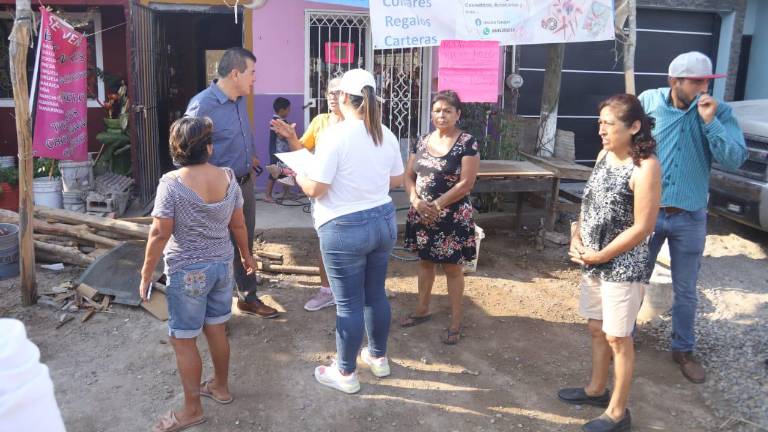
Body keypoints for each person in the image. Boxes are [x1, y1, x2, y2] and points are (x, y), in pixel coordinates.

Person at [140, 117, 258, 432]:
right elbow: (238, 225)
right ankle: (220, 386)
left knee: (183, 339)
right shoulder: (229, 178)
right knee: (216, 328)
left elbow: (159, 234)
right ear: (208, 147)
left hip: (187, 272)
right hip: (222, 266)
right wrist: (247, 257)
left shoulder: (171, 184)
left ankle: (192, 410)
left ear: (176, 149)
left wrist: (146, 274)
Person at [638, 51, 747, 384]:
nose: (704, 88)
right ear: (675, 82)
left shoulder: (719, 112)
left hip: (690, 216)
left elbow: (735, 159)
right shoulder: (649, 101)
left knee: (686, 289)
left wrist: (710, 123)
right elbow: (625, 140)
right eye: (697, 81)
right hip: (648, 212)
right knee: (634, 278)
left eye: (708, 81)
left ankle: (683, 350)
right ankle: (622, 336)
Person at [294, 69, 404, 393]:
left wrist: (299, 171)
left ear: (343, 98)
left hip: (344, 227)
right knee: (375, 295)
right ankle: (379, 358)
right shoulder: (385, 133)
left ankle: (345, 373)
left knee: (349, 305)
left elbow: (315, 188)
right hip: (383, 220)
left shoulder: (335, 135)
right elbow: (396, 181)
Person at [558, 94, 661, 432]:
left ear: (633, 127)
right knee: (595, 328)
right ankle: (596, 390)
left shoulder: (645, 167)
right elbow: (589, 202)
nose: (601, 130)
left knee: (619, 337)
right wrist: (576, 234)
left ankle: (618, 413)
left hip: (622, 266)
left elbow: (643, 226)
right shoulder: (604, 156)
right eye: (599, 123)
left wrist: (601, 255)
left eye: (608, 124)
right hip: (593, 259)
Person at [185, 47, 278, 318]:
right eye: (252, 73)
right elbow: (187, 154)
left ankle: (247, 297)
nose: (254, 79)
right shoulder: (203, 105)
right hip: (215, 191)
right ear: (236, 73)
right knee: (213, 248)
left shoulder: (238, 100)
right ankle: (213, 312)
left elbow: (238, 134)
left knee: (243, 242)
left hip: (244, 183)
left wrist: (251, 155)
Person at [400, 90, 480, 345]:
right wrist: (414, 200)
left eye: (447, 110)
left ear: (458, 114)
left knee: (453, 268)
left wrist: (437, 204)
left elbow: (466, 183)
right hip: (422, 215)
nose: (441, 115)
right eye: (437, 110)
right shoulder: (422, 141)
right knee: (425, 263)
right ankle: (422, 309)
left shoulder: (467, 143)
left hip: (452, 217)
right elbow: (408, 175)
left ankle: (456, 321)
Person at [271, 77, 343, 312]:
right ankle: (327, 290)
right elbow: (302, 149)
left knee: (352, 245)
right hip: (322, 194)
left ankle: (351, 292)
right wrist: (291, 138)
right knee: (326, 241)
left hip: (349, 195)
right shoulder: (320, 121)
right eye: (330, 91)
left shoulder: (359, 124)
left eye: (339, 92)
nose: (333, 96)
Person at [265, 96, 293, 203]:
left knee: (286, 172)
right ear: (282, 110)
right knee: (274, 174)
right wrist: (289, 131)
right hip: (276, 152)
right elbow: (281, 136)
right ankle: (267, 195)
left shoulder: (282, 120)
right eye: (288, 109)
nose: (289, 111)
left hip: (283, 152)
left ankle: (287, 193)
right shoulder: (275, 121)